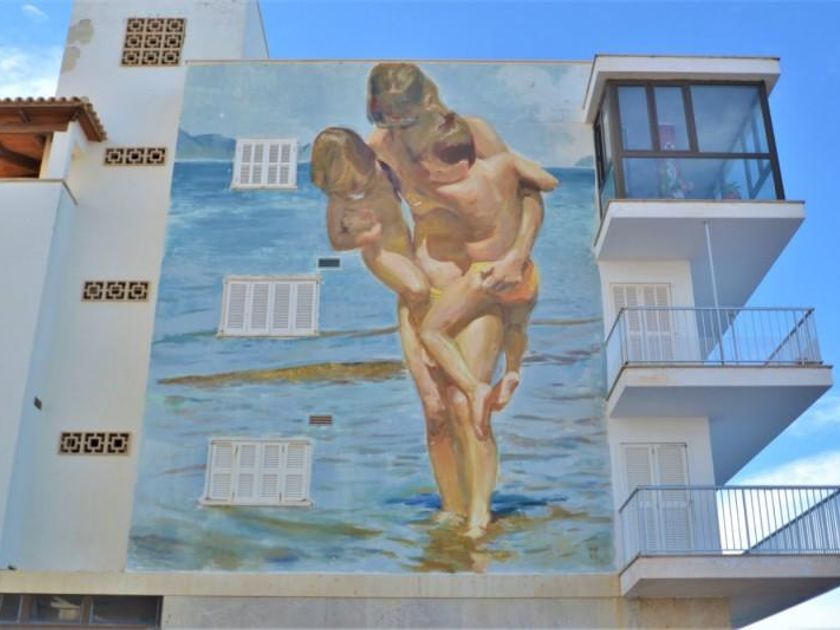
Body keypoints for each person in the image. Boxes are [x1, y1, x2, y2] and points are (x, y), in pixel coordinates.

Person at [365, 63, 549, 536]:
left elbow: (529, 193)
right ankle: (451, 510)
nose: (397, 129)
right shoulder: (380, 147)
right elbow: (367, 215)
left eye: (405, 118)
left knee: (467, 406)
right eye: (387, 119)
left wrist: (517, 256)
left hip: (480, 285)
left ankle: (480, 517)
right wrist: (391, 268)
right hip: (424, 288)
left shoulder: (471, 133)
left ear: (427, 102)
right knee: (435, 412)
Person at [402, 110, 558, 441]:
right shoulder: (504, 165)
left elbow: (419, 203)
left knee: (431, 331)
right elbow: (548, 182)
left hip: (486, 276)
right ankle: (513, 370)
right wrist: (516, 168)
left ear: (461, 166)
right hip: (524, 275)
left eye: (437, 170)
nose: (432, 176)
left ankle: (475, 389)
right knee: (515, 327)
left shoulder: (455, 191)